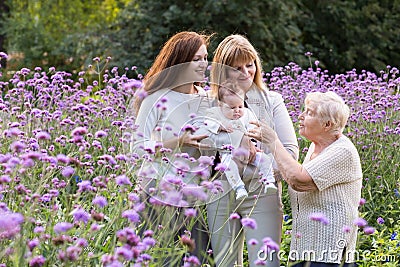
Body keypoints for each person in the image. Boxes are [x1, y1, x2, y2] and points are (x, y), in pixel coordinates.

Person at [207, 34, 299, 267]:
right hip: (220, 191)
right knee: (225, 263)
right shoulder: (206, 104)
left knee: (266, 262)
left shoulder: (272, 101)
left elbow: (290, 152)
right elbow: (198, 154)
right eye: (237, 67)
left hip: (262, 191)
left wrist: (257, 164)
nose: (247, 72)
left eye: (250, 64)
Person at [247, 91, 362, 267]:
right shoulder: (315, 148)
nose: (300, 116)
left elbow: (298, 180)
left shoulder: (342, 151)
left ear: (327, 124)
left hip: (329, 255)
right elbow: (292, 175)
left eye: (309, 113)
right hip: (306, 252)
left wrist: (273, 142)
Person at [131, 31, 214, 265]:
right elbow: (136, 148)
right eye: (196, 59)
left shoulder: (209, 99)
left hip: (193, 199)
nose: (203, 64)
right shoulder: (155, 98)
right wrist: (177, 142)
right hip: (156, 196)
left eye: (205, 58)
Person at [200, 80, 277, 201]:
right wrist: (219, 126)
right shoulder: (216, 114)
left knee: (264, 159)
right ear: (220, 105)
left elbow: (253, 127)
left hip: (248, 150)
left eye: (240, 106)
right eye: (232, 108)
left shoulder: (247, 114)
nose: (237, 111)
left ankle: (269, 181)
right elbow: (207, 122)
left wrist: (250, 139)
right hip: (228, 153)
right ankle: (239, 188)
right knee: (229, 167)